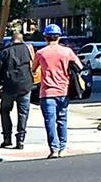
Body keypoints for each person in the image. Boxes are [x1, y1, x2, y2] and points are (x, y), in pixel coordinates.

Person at [33, 25, 85, 158]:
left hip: (47, 92)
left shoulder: (40, 53)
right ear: (59, 37)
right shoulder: (67, 52)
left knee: (50, 121)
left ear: (45, 37)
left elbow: (33, 70)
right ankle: (63, 147)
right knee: (62, 119)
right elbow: (79, 66)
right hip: (63, 90)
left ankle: (54, 149)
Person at [0, 34, 36, 150]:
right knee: (23, 114)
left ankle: (7, 138)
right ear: (22, 40)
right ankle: (20, 140)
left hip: (9, 87)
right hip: (25, 86)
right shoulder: (28, 49)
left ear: (12, 41)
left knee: (5, 111)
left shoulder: (5, 52)